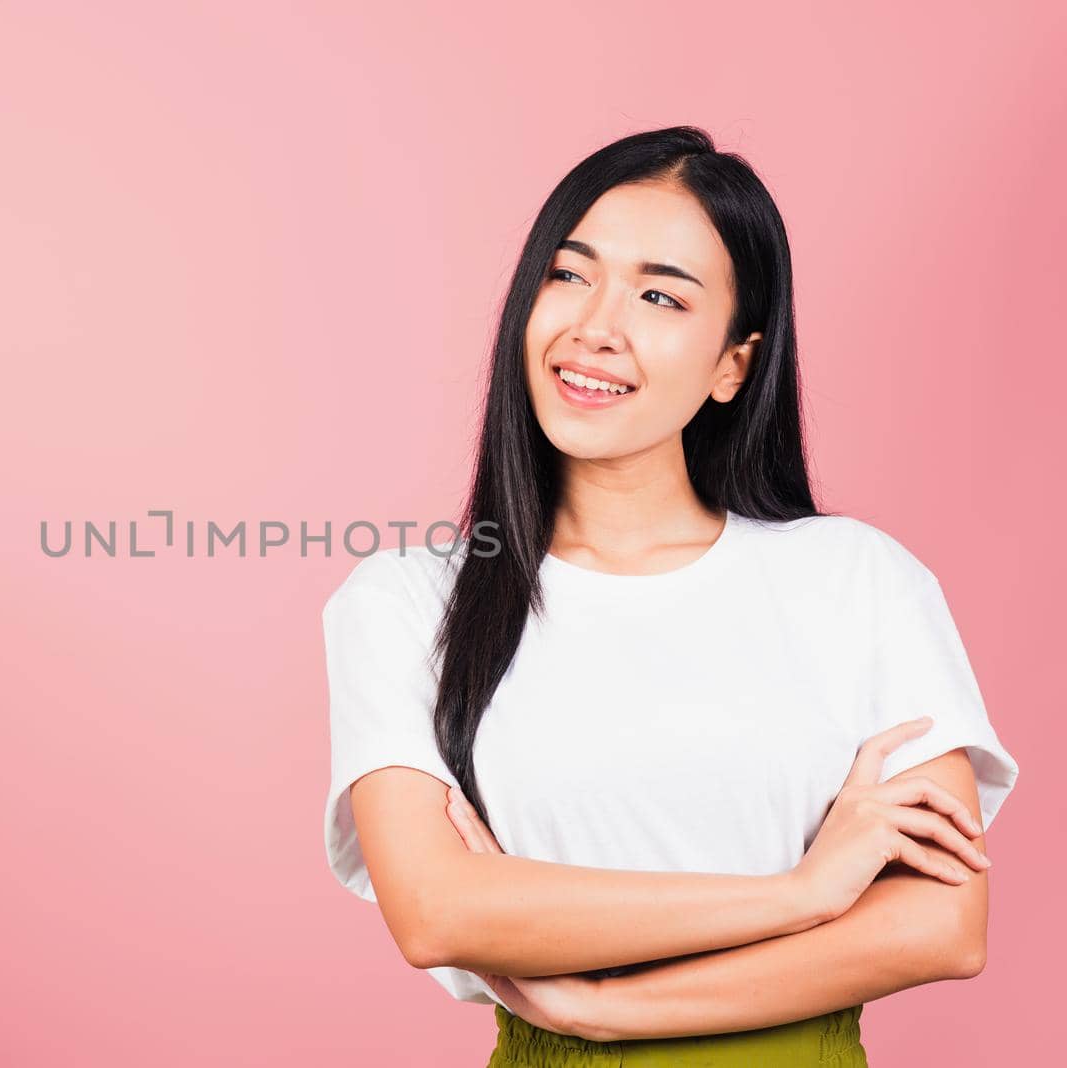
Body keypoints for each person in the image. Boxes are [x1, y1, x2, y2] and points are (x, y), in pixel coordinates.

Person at [319, 126, 1020, 1067]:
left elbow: (941, 925)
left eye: (659, 295)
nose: (595, 326)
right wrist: (802, 895)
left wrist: (608, 1013)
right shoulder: (406, 602)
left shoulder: (856, 579)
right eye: (569, 276)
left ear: (736, 362)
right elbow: (438, 913)